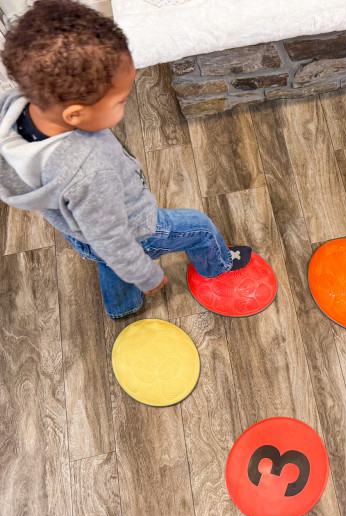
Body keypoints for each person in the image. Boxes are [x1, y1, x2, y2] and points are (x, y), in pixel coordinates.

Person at [0, 0, 251, 319]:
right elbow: (114, 239)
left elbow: (101, 240)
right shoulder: (90, 170)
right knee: (200, 227)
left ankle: (123, 307)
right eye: (119, 101)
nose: (123, 108)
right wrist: (148, 276)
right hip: (140, 228)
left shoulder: (12, 109)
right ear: (75, 114)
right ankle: (218, 266)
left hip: (78, 232)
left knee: (105, 258)